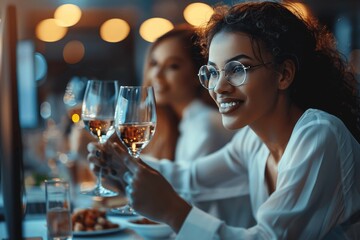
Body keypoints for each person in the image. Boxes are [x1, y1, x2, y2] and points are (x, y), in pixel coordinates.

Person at [88, 1, 360, 239]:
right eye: (213, 72)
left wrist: (173, 211)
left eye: (237, 69)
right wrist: (122, 169)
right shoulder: (253, 141)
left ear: (284, 74)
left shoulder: (319, 135)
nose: (218, 87)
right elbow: (193, 178)